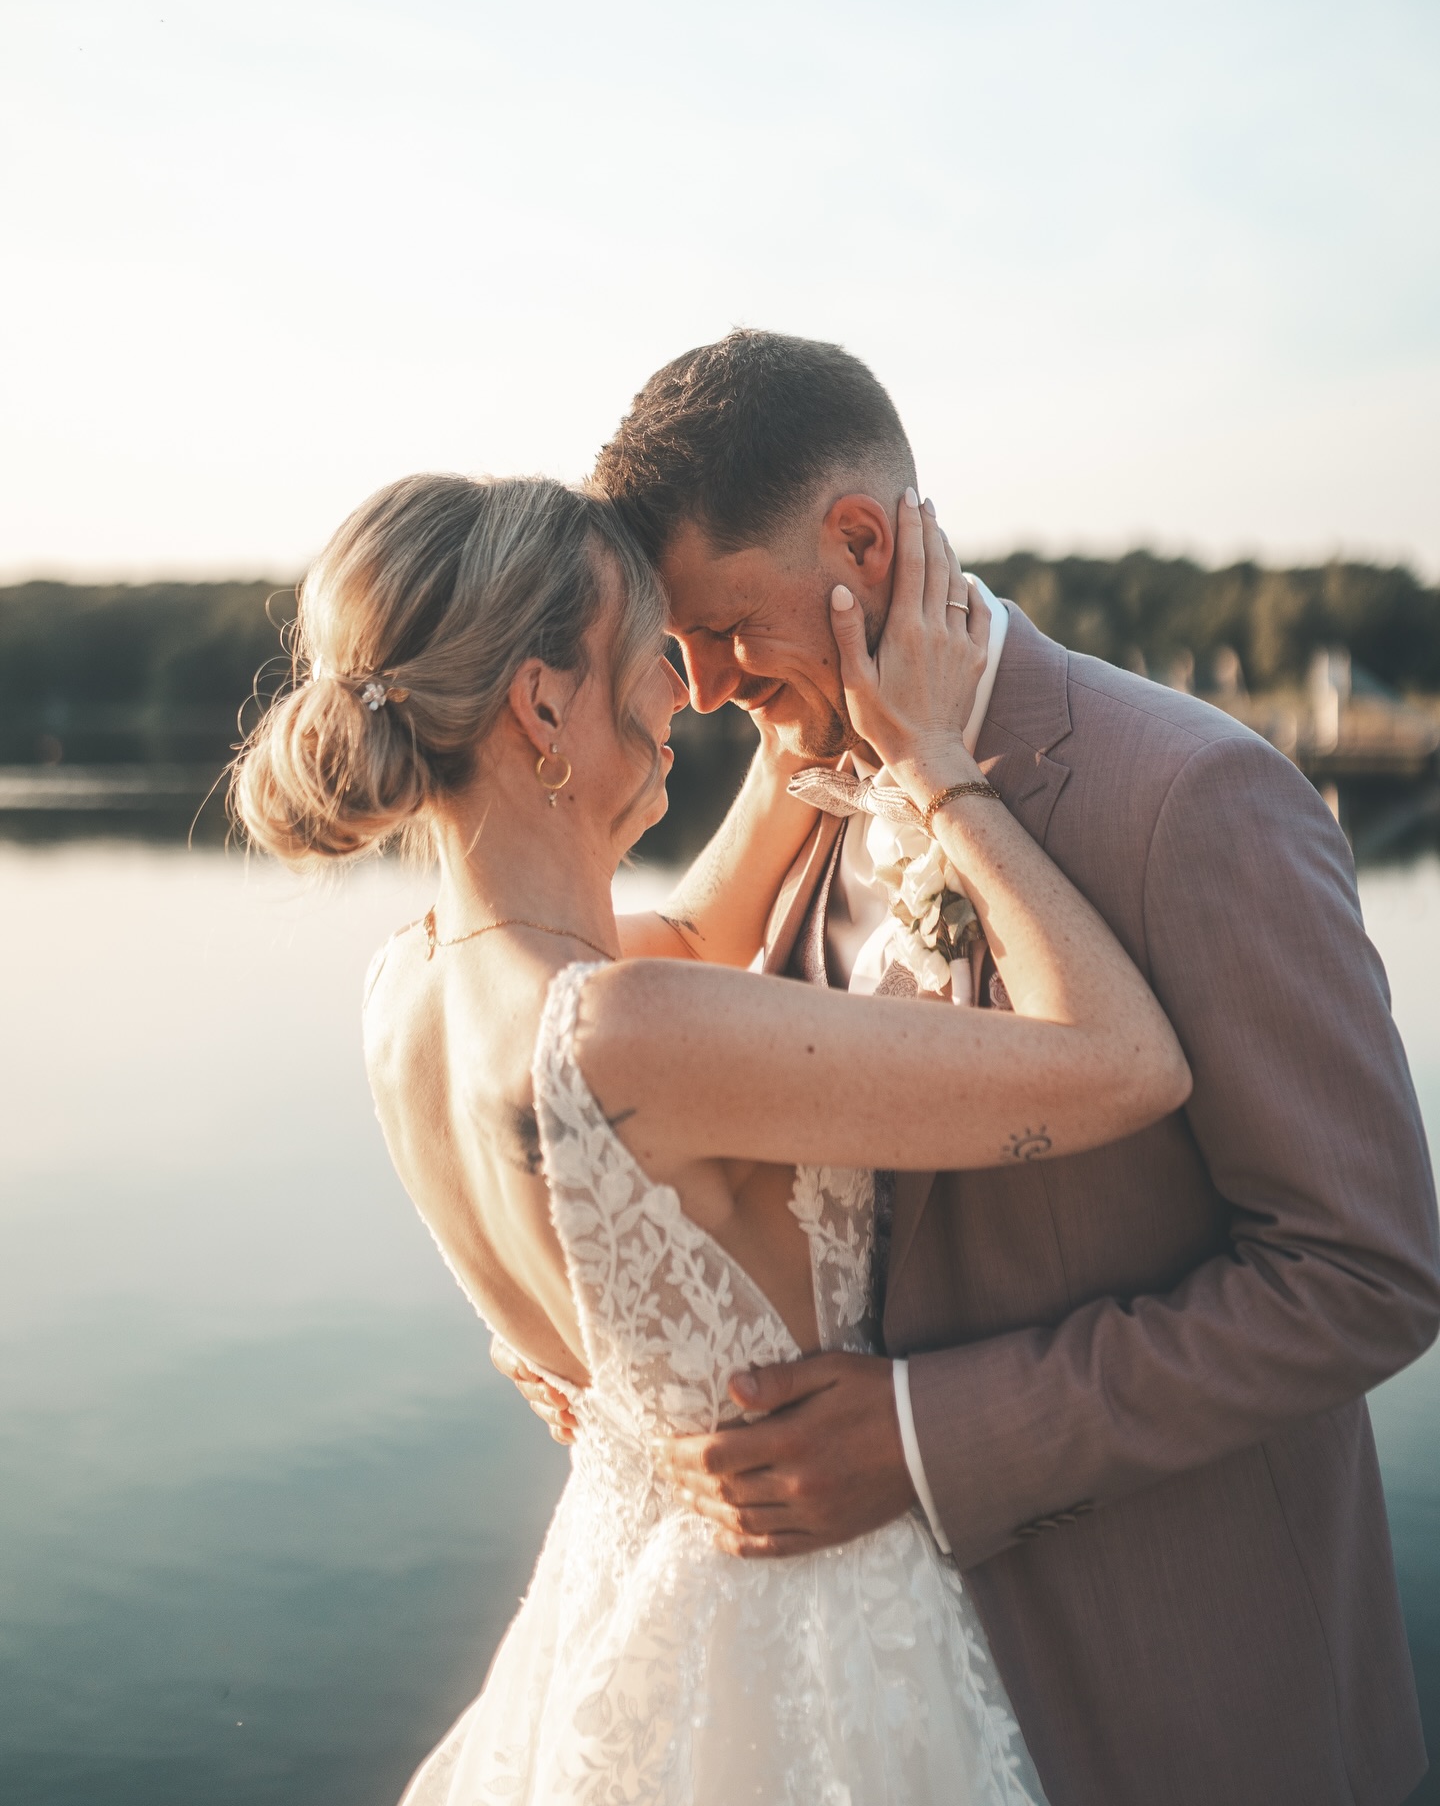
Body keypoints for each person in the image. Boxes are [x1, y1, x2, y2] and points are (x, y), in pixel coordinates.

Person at [501, 329, 1440, 1806]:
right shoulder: (801, 778)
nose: (695, 687)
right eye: (671, 645)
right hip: (890, 1701)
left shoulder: (1191, 798)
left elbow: (1364, 1273)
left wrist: (931, 1437)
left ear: (860, 545)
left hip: (1176, 1684)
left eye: (723, 627)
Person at [232, 469, 1191, 1804]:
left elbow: (693, 934)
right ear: (541, 703)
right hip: (800, 1651)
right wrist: (935, 769)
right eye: (648, 656)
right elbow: (1122, 1064)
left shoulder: (407, 993)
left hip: (624, 1599)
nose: (688, 689)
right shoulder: (625, 1038)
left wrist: (823, 713)